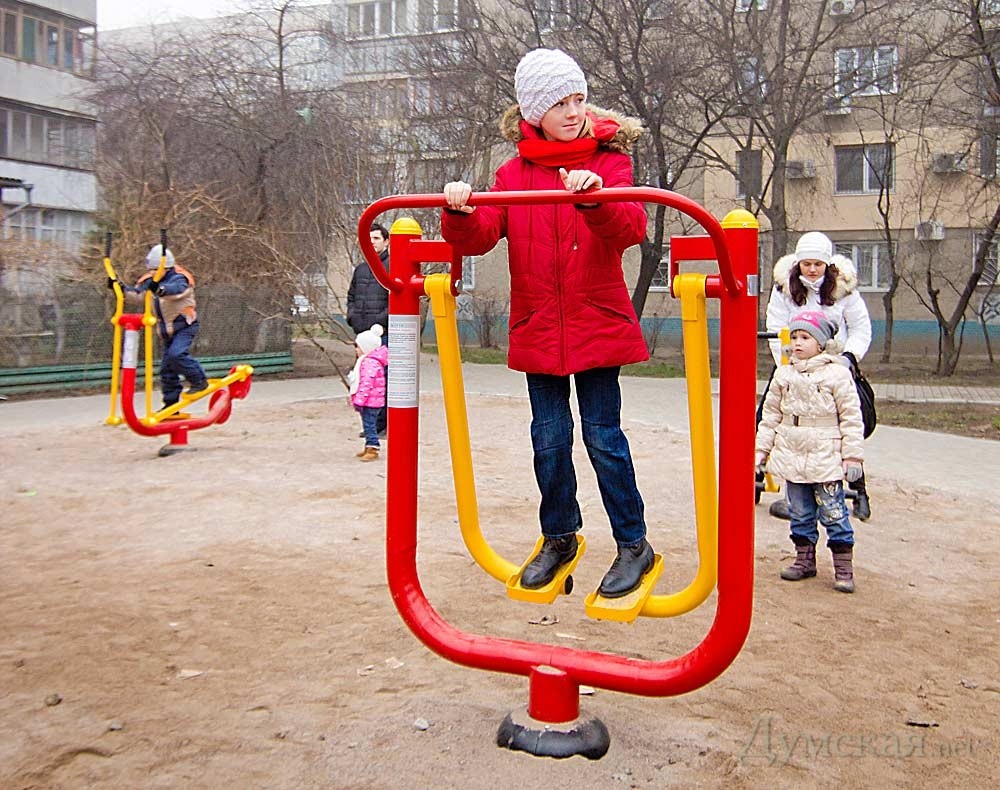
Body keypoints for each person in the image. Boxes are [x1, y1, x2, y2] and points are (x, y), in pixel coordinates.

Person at [440, 48, 655, 599]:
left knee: (603, 437)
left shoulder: (609, 162)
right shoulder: (513, 174)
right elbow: (481, 235)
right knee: (549, 440)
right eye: (560, 103)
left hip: (596, 320)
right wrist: (460, 211)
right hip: (539, 323)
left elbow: (631, 228)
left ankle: (634, 544)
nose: (574, 111)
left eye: (579, 99)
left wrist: (594, 199)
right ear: (534, 111)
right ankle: (559, 537)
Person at [763, 231, 873, 521]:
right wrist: (786, 361)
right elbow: (775, 325)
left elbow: (860, 327)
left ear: (828, 264)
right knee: (771, 417)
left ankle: (859, 489)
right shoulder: (785, 288)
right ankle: (769, 479)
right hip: (793, 364)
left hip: (833, 367)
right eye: (807, 263)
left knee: (845, 424)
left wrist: (848, 359)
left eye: (818, 264)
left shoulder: (843, 289)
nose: (812, 269)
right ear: (798, 263)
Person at [755, 310, 864, 593]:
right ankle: (804, 560)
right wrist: (760, 451)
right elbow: (770, 416)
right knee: (800, 512)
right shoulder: (784, 375)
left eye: (805, 337)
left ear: (821, 342)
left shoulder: (837, 374)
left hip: (824, 455)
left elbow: (851, 418)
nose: (798, 343)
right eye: (794, 337)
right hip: (793, 454)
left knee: (834, 512)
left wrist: (852, 456)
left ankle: (843, 567)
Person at [111, 244, 208, 409]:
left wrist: (161, 289)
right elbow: (139, 296)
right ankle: (171, 405)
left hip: (184, 326)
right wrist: (120, 288)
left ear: (166, 267)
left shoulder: (180, 278)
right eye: (151, 270)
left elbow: (177, 291)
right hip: (165, 330)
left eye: (156, 270)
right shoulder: (150, 280)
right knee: (167, 370)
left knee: (177, 354)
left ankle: (199, 380)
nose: (152, 273)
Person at [347, 223, 390, 437]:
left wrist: (380, 322)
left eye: (376, 238)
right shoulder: (361, 269)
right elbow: (352, 296)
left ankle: (383, 424)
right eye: (369, 238)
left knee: (381, 379)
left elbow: (397, 299)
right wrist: (352, 317)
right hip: (362, 333)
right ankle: (370, 425)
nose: (372, 242)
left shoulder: (392, 266)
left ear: (386, 242)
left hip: (383, 334)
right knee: (364, 379)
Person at [348, 323, 389, 462]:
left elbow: (366, 383)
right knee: (368, 423)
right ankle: (369, 445)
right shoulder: (369, 361)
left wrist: (359, 399)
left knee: (369, 424)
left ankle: (373, 447)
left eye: (358, 347)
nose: (356, 350)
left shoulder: (369, 363)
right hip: (372, 399)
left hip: (371, 400)